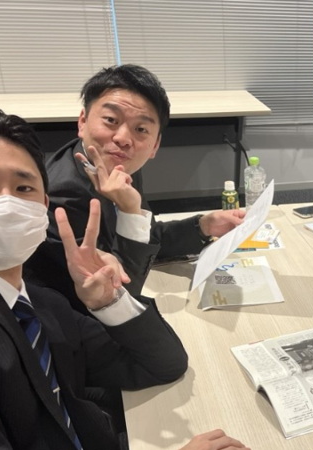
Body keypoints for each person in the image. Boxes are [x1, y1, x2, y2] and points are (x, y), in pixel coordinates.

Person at [0, 106, 252, 450]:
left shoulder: (38, 302)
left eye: (23, 187)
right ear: (83, 121)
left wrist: (109, 301)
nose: (6, 204)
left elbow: (163, 364)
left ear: (42, 204)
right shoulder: (72, 195)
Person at [25, 64, 247, 312]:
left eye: (141, 129)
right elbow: (114, 298)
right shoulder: (63, 196)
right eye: (111, 120)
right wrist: (130, 210)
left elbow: (145, 235)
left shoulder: (119, 164)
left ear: (155, 145)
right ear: (83, 121)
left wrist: (204, 226)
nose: (123, 138)